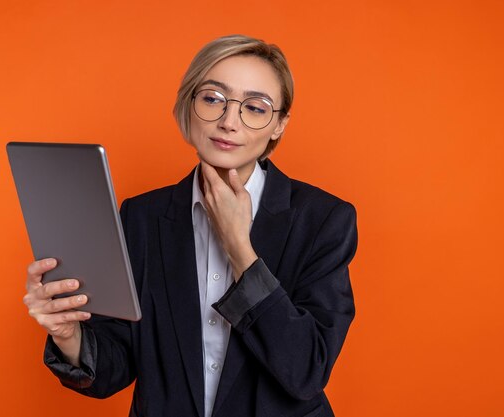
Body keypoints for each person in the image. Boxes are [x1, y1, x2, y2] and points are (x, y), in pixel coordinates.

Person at [23, 34, 358, 417]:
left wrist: (240, 249)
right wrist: (68, 335)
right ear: (188, 104)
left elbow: (306, 371)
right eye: (213, 98)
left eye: (255, 107)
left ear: (279, 124)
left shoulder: (324, 220)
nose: (229, 122)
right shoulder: (141, 217)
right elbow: (117, 365)